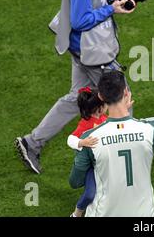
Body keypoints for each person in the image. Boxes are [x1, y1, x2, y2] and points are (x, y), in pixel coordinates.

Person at [15, 0, 135, 174]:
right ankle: (132, 153)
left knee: (75, 98)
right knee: (121, 96)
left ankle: (31, 142)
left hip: (81, 48)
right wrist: (110, 9)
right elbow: (80, 20)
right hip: (92, 50)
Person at [69, 54, 154, 217]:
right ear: (126, 92)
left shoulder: (89, 138)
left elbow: (75, 182)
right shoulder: (151, 128)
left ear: (101, 97)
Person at [67, 87, 108, 217]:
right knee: (90, 193)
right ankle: (76, 214)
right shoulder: (85, 124)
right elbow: (70, 139)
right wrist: (82, 143)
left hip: (103, 163)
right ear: (99, 108)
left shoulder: (105, 119)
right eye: (105, 103)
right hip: (91, 166)